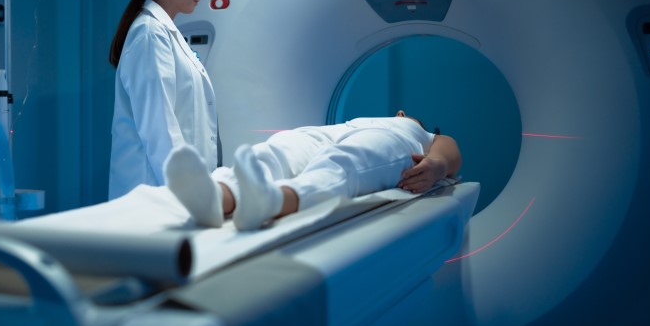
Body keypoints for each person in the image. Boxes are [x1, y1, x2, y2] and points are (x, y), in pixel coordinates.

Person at [164, 110, 462, 231]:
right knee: (283, 147)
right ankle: (218, 195)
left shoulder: (418, 134)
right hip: (336, 131)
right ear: (399, 111)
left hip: (392, 142)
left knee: (344, 164)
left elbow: (449, 147)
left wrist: (437, 164)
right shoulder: (375, 116)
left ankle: (271, 200)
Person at [108, 0, 218, 200]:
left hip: (170, 189)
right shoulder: (150, 35)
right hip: (157, 192)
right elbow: (160, 129)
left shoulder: (164, 32)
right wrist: (191, 195)